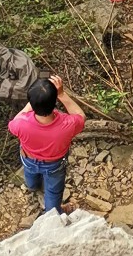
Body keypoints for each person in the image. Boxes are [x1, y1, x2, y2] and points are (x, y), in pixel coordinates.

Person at [8, 73, 86, 215]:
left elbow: (14, 121)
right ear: (54, 101)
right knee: (54, 191)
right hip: (54, 165)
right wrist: (62, 94)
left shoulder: (21, 124)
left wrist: (31, 103)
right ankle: (52, 214)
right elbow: (81, 116)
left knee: (30, 175)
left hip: (29, 159)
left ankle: (33, 186)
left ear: (31, 104)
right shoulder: (67, 124)